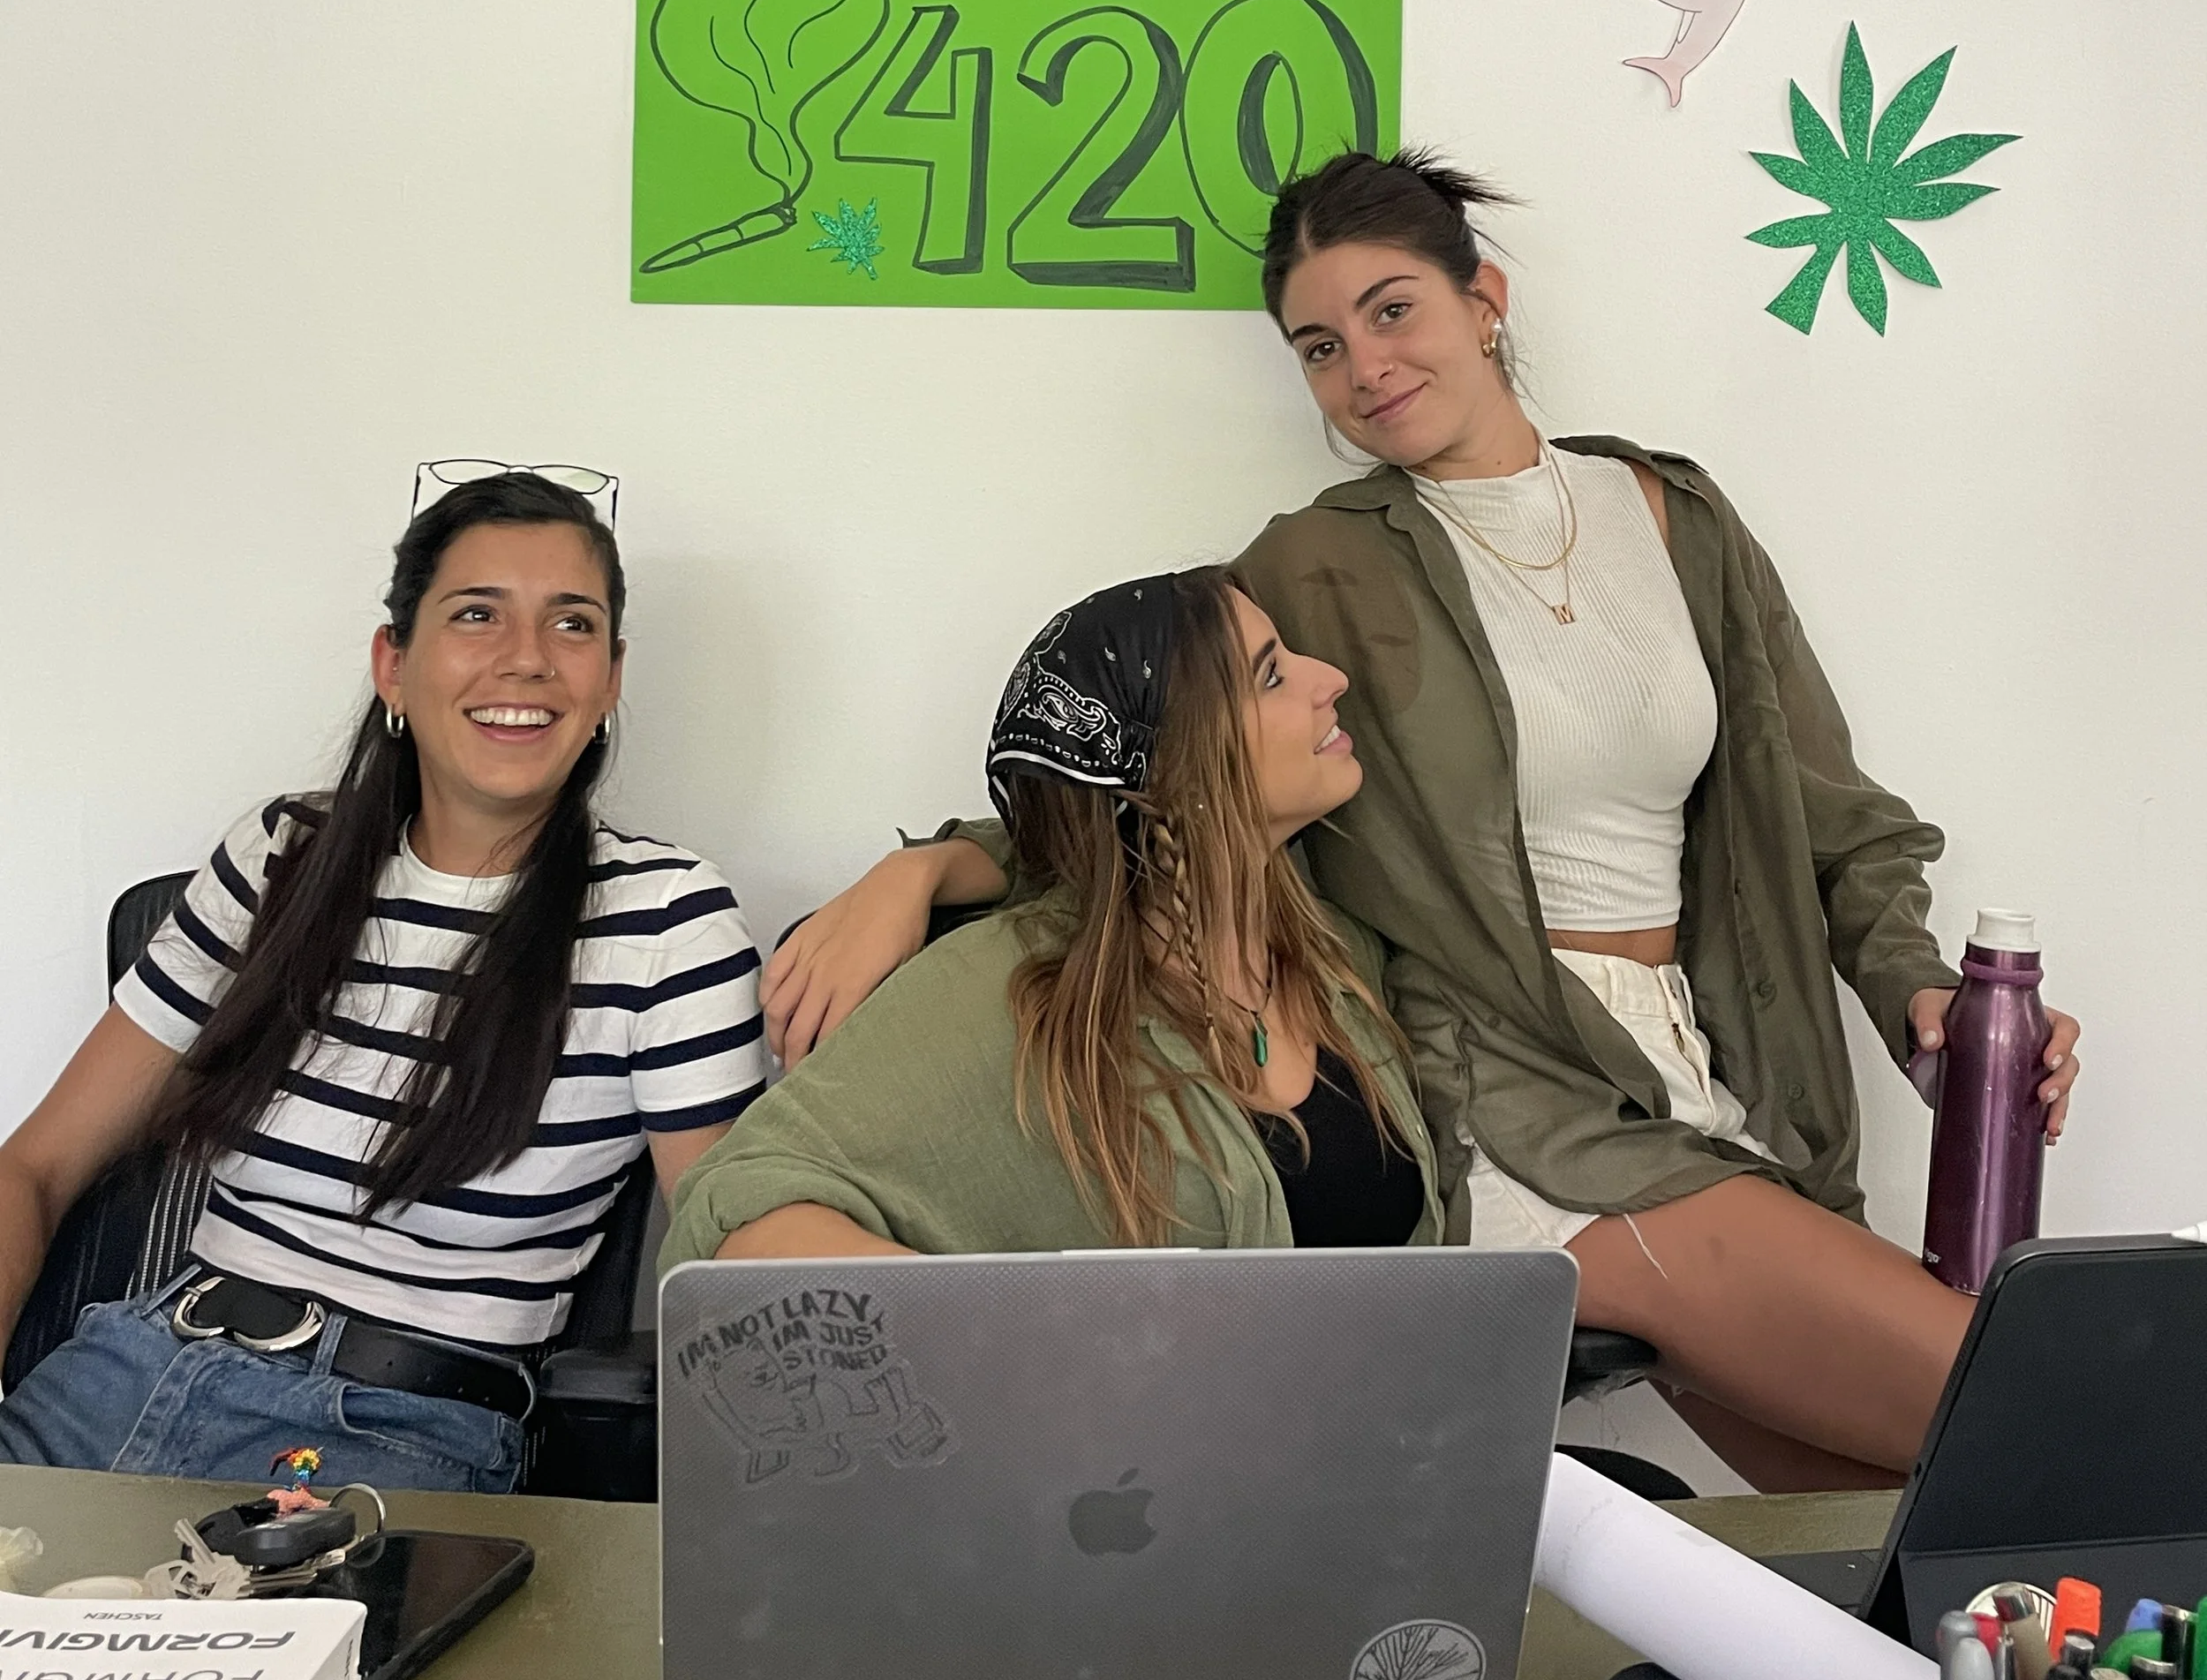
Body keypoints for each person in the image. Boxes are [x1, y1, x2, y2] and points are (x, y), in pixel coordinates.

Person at [763, 153, 2081, 1489]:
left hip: (1711, 1066)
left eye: (1394, 312)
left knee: (1906, 1536)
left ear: (1485, 298)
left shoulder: (1677, 519)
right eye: (1319, 347)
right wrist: (931, 863)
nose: (1364, 370)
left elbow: (1828, 811)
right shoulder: (1319, 563)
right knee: (2027, 1423)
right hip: (1509, 1086)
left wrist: (1921, 994)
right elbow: (1157, 770)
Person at [0, 472, 766, 1491]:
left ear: (611, 678)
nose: (528, 658)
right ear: (393, 665)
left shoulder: (666, 921)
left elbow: (732, 1273)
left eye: (572, 625)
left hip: (390, 1437)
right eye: (477, 614)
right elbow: (34, 1170)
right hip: (111, 1379)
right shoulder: (281, 859)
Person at [660, 569, 1439, 1266]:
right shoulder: (1010, 988)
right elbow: (731, 1214)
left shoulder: (1339, 949)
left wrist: (925, 863)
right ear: (1169, 771)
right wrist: (1008, 1349)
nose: (1331, 678)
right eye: (1270, 675)